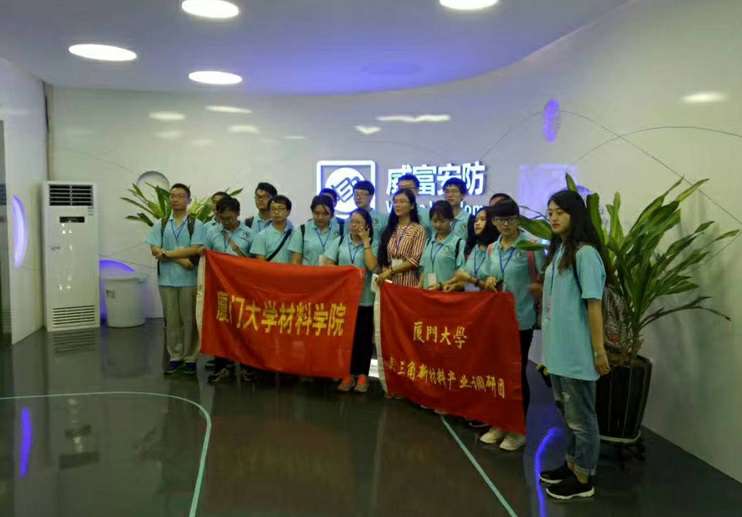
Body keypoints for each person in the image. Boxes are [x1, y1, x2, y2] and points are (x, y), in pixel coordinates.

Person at [538, 190, 609, 501]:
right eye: (550, 212)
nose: (553, 217)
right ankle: (571, 465)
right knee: (569, 417)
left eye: (560, 212)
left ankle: (584, 477)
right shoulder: (560, 251)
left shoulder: (585, 254)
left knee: (582, 419)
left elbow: (594, 305)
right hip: (559, 353)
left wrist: (599, 351)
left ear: (575, 215)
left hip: (578, 354)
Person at [478, 199, 545, 451]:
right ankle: (499, 424)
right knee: (497, 374)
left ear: (518, 219)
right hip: (497, 320)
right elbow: (487, 275)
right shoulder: (492, 248)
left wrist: (537, 287)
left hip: (521, 319)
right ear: (494, 222)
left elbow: (544, 278)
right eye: (500, 220)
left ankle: (517, 430)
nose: (505, 224)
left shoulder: (531, 245)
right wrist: (489, 280)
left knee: (516, 375)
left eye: (510, 219)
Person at [145, 183, 207, 375]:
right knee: (172, 320)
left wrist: (168, 254)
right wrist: (179, 259)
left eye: (180, 196)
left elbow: (195, 249)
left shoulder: (197, 224)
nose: (175, 199)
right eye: (172, 196)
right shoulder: (162, 223)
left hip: (189, 280)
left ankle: (190, 358)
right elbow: (155, 249)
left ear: (189, 200)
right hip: (166, 280)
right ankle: (175, 356)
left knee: (190, 320)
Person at [323, 208, 378, 393]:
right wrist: (346, 272)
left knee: (364, 338)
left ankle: (362, 375)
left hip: (365, 299)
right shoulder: (339, 241)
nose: (354, 226)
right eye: (352, 222)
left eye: (359, 223)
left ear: (367, 225)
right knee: (346, 338)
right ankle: (346, 373)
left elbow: (373, 267)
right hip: (344, 300)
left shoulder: (374, 243)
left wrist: (366, 242)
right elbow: (327, 264)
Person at [202, 197, 255, 384]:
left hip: (242, 289)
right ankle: (222, 366)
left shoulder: (250, 234)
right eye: (222, 218)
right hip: (220, 288)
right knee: (221, 326)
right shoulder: (211, 232)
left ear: (238, 214)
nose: (226, 222)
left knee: (244, 325)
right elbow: (206, 256)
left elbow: (255, 263)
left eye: (230, 218)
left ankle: (247, 367)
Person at [376, 189, 426, 287]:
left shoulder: (418, 229)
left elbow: (414, 260)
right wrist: (385, 268)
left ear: (412, 206)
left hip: (409, 283)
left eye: (402, 202)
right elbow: (383, 254)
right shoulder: (390, 228)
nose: (397, 205)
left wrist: (391, 271)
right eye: (395, 202)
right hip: (389, 282)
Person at [443, 206, 498, 292]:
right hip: (472, 297)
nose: (477, 223)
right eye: (476, 220)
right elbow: (467, 278)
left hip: (490, 299)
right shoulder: (476, 247)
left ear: (492, 222)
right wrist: (456, 286)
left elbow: (494, 287)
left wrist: (470, 279)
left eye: (482, 219)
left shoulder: (496, 248)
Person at [418, 201, 465, 290]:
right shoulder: (428, 242)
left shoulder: (458, 243)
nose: (438, 225)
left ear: (451, 220)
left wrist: (443, 285)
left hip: (446, 293)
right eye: (434, 221)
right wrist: (419, 286)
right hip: (427, 292)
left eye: (442, 221)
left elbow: (461, 276)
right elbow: (424, 270)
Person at [289, 195, 341, 266]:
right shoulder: (302, 230)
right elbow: (295, 261)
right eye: (317, 213)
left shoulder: (339, 230)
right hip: (308, 272)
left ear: (332, 214)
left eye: (325, 214)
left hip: (331, 272)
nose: (320, 217)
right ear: (312, 212)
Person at [250, 195, 294, 264]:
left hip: (291, 270)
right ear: (269, 212)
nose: (276, 212)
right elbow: (261, 265)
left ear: (288, 212)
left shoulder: (296, 233)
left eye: (280, 208)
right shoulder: (261, 236)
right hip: (270, 270)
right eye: (273, 209)